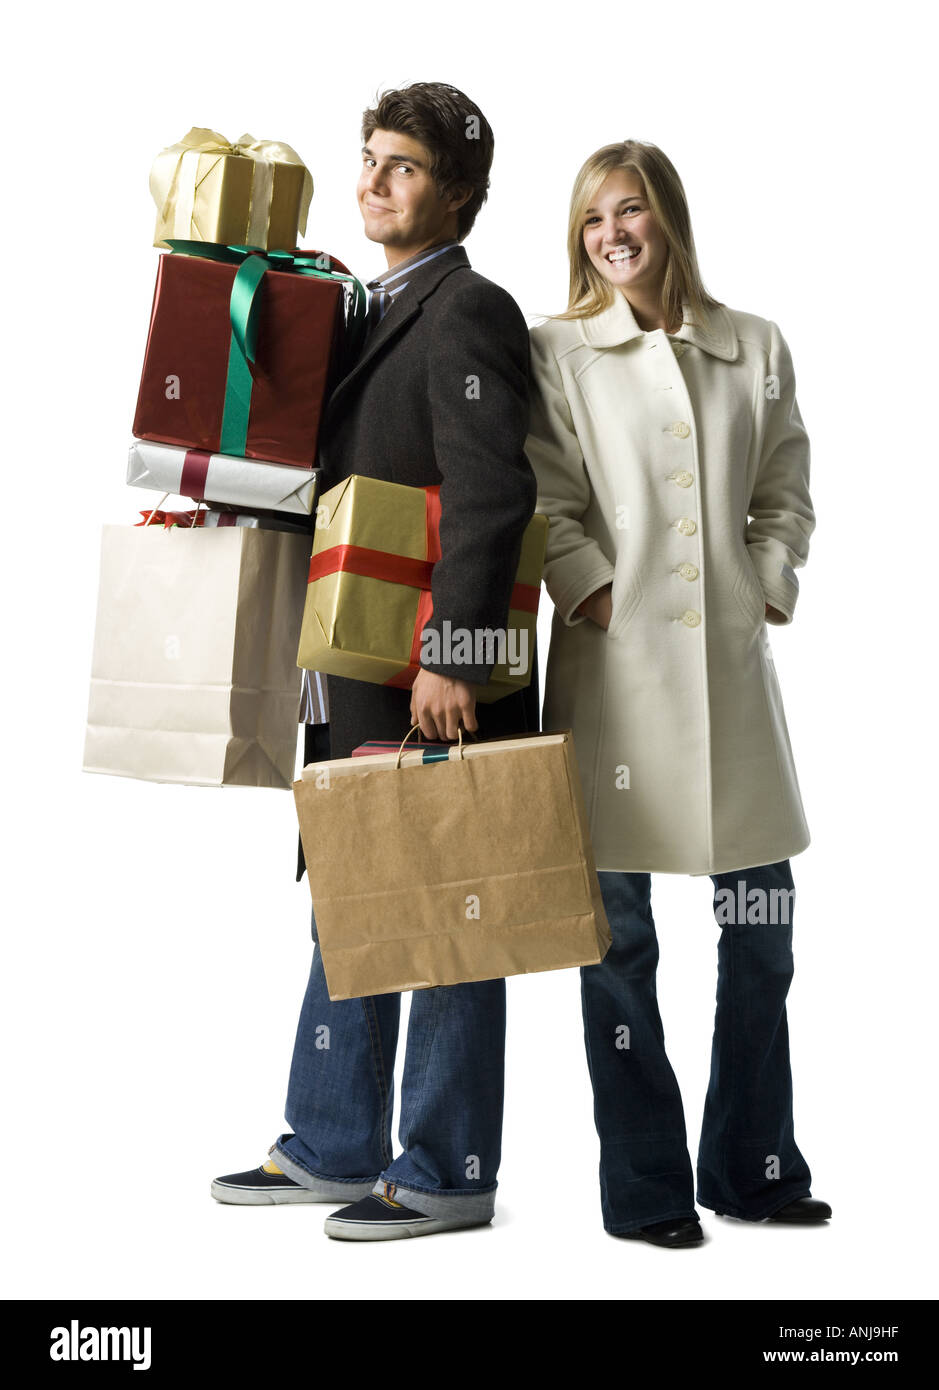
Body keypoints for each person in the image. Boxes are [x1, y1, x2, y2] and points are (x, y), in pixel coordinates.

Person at [212, 83, 539, 1241]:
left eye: (400, 165)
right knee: (356, 888)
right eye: (368, 157)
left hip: (432, 671)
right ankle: (333, 1137)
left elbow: (496, 489)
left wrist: (454, 653)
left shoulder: (468, 311)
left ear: (455, 194)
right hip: (352, 657)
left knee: (449, 905)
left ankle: (448, 1167)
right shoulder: (355, 307)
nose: (372, 178)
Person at [525, 139, 831, 1247]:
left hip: (733, 683)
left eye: (631, 211)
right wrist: (592, 593)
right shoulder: (557, 349)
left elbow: (786, 487)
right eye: (593, 219)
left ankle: (753, 1164)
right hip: (614, 682)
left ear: (670, 219)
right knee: (618, 945)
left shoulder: (754, 345)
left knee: (761, 931)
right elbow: (544, 498)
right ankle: (648, 1190)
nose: (613, 234)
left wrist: (767, 584)